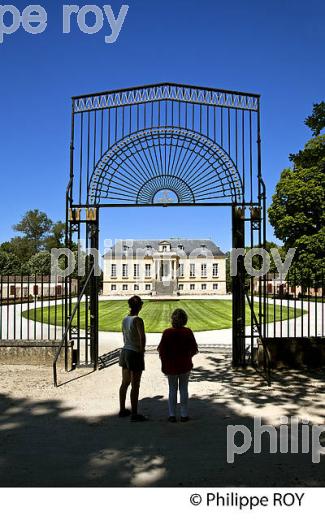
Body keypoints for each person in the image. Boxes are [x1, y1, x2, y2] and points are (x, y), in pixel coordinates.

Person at [158, 308, 198, 423]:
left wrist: (164, 363)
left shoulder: (167, 332)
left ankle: (172, 415)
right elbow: (194, 349)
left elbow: (162, 351)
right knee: (184, 389)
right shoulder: (187, 332)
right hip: (184, 364)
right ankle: (184, 414)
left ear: (172, 320)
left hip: (171, 365)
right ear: (184, 320)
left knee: (172, 389)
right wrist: (188, 357)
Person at [119, 295, 147, 422]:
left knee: (125, 383)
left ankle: (122, 409)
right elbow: (142, 338)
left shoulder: (125, 319)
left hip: (125, 351)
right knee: (135, 385)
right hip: (134, 352)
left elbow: (124, 336)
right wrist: (142, 352)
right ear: (139, 306)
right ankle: (134, 414)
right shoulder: (138, 320)